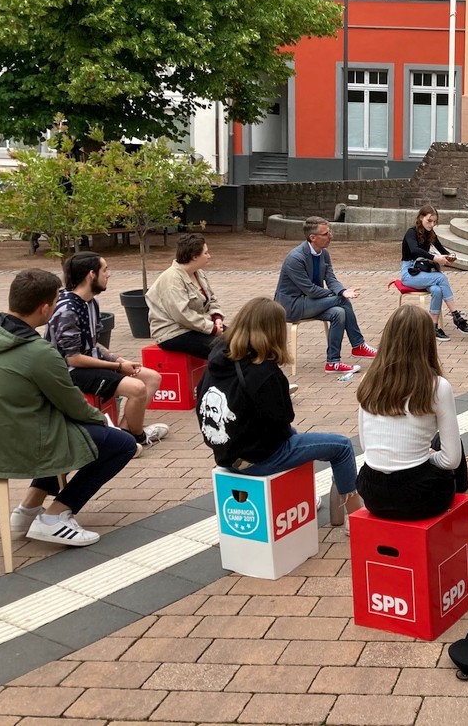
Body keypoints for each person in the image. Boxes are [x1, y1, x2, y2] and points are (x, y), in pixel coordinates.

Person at [0, 269, 137, 547]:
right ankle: (56, 515)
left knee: (56, 428)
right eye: (55, 302)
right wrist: (101, 420)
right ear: (44, 309)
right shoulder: (39, 352)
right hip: (17, 443)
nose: (56, 307)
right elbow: (72, 404)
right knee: (121, 443)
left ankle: (28, 508)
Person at [196, 298, 361, 531]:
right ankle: (355, 517)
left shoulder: (217, 359)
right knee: (342, 446)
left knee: (295, 437)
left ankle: (298, 498)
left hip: (225, 453)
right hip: (258, 458)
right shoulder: (263, 372)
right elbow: (283, 421)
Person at [355, 305, 468, 553]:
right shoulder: (436, 386)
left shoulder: (368, 380)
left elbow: (366, 446)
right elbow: (450, 459)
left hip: (373, 493)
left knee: (434, 447)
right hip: (419, 496)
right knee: (452, 444)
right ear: (427, 342)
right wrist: (424, 456)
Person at [46, 253, 170, 453]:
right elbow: (73, 358)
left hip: (89, 363)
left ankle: (124, 434)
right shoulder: (67, 309)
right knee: (137, 388)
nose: (109, 275)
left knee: (152, 378)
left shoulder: (91, 302)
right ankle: (135, 439)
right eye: (105, 270)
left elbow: (93, 344)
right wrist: (118, 367)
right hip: (69, 371)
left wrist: (119, 359)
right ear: (91, 275)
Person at [274, 216, 376, 372]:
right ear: (312, 237)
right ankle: (358, 345)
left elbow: (330, 278)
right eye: (326, 233)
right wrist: (339, 295)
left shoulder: (324, 253)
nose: (331, 236)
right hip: (293, 305)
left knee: (339, 312)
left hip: (312, 301)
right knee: (341, 302)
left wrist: (342, 291)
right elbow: (310, 289)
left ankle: (333, 362)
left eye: (330, 232)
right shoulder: (295, 258)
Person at [400, 205, 468, 341]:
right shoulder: (411, 232)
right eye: (429, 221)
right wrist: (434, 258)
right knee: (441, 278)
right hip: (409, 273)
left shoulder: (430, 233)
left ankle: (433, 328)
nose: (432, 224)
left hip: (422, 272)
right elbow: (415, 250)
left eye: (434, 222)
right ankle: (456, 316)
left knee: (437, 290)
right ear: (421, 218)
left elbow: (442, 250)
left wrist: (449, 256)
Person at [146, 233, 224, 360]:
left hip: (199, 326)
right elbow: (182, 315)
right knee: (224, 350)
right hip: (174, 333)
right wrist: (213, 329)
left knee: (240, 340)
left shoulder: (198, 273)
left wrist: (217, 318)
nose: (209, 256)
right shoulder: (172, 280)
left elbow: (212, 299)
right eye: (206, 253)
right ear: (194, 257)